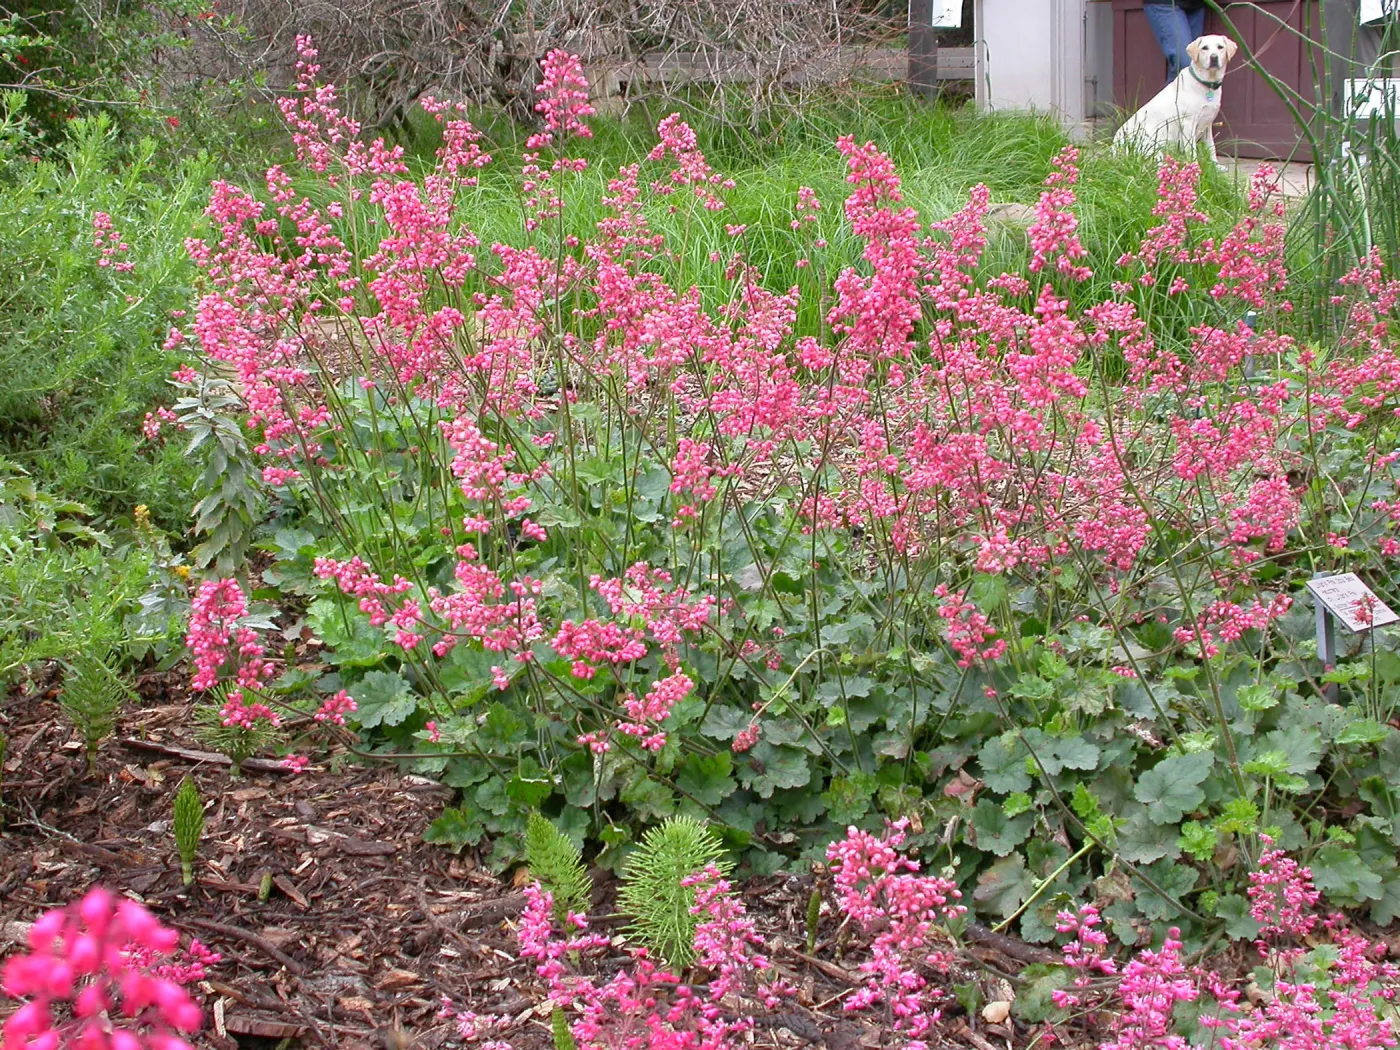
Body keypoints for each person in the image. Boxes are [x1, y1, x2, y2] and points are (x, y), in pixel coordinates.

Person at [1143, 0, 1208, 84]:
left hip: (1196, 5)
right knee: (1185, 64)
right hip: (1165, 4)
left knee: (1195, 67)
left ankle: (1175, 97)